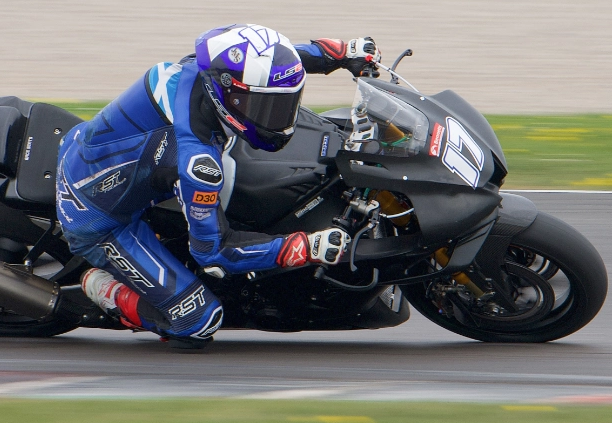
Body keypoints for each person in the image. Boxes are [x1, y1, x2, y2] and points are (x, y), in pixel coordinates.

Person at [55, 24, 380, 348]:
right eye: (265, 108)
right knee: (198, 321)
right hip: (96, 217)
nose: (280, 120)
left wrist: (341, 53)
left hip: (98, 153)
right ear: (228, 95)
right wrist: (304, 247)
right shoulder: (198, 164)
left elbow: (277, 62)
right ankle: (105, 288)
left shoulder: (207, 68)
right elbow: (214, 252)